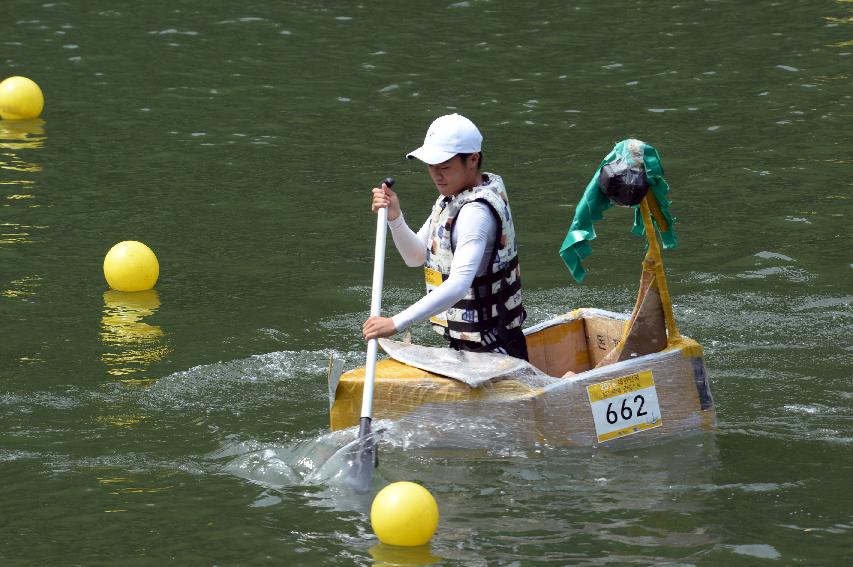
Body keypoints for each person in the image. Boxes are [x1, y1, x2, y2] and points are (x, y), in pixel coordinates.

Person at [362, 113, 528, 360]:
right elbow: (416, 257)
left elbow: (459, 285)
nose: (436, 175)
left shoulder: (476, 212)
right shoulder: (452, 197)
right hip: (467, 348)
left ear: (473, 159)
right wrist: (395, 218)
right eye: (431, 166)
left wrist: (395, 323)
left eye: (445, 167)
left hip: (497, 351)